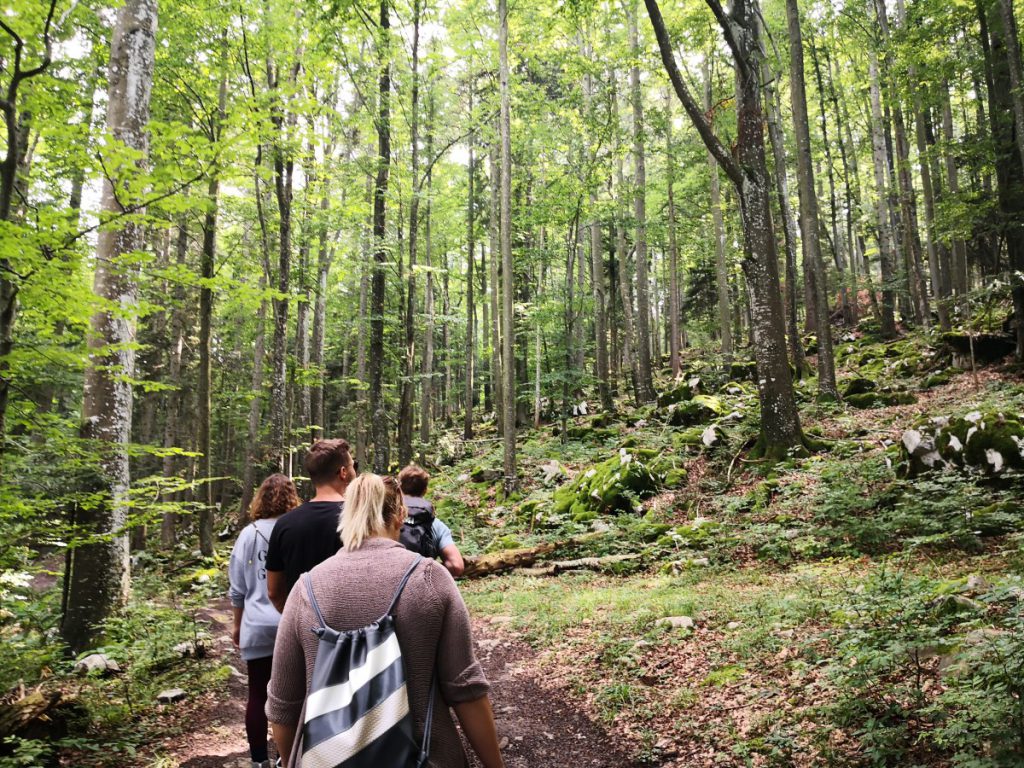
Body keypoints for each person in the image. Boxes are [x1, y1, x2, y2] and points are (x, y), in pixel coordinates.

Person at [266, 474, 505, 768]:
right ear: (400, 515)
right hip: (426, 757)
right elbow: (465, 688)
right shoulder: (430, 578)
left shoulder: (306, 589)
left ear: (347, 515)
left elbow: (283, 708)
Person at [228, 473, 301, 768]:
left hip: (257, 625)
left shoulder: (249, 534)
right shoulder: (296, 530)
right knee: (296, 695)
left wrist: (237, 624)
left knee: (258, 694)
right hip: (292, 622)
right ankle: (291, 756)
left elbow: (237, 587)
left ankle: (260, 760)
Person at [265, 439, 356, 613]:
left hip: (303, 629)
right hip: (350, 630)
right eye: (354, 466)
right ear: (343, 472)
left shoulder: (284, 524)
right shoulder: (358, 521)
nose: (355, 471)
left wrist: (296, 618)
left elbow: (274, 591)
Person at [397, 464, 465, 577]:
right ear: (425, 490)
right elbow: (456, 566)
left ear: (399, 488)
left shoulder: (387, 520)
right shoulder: (436, 525)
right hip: (421, 589)